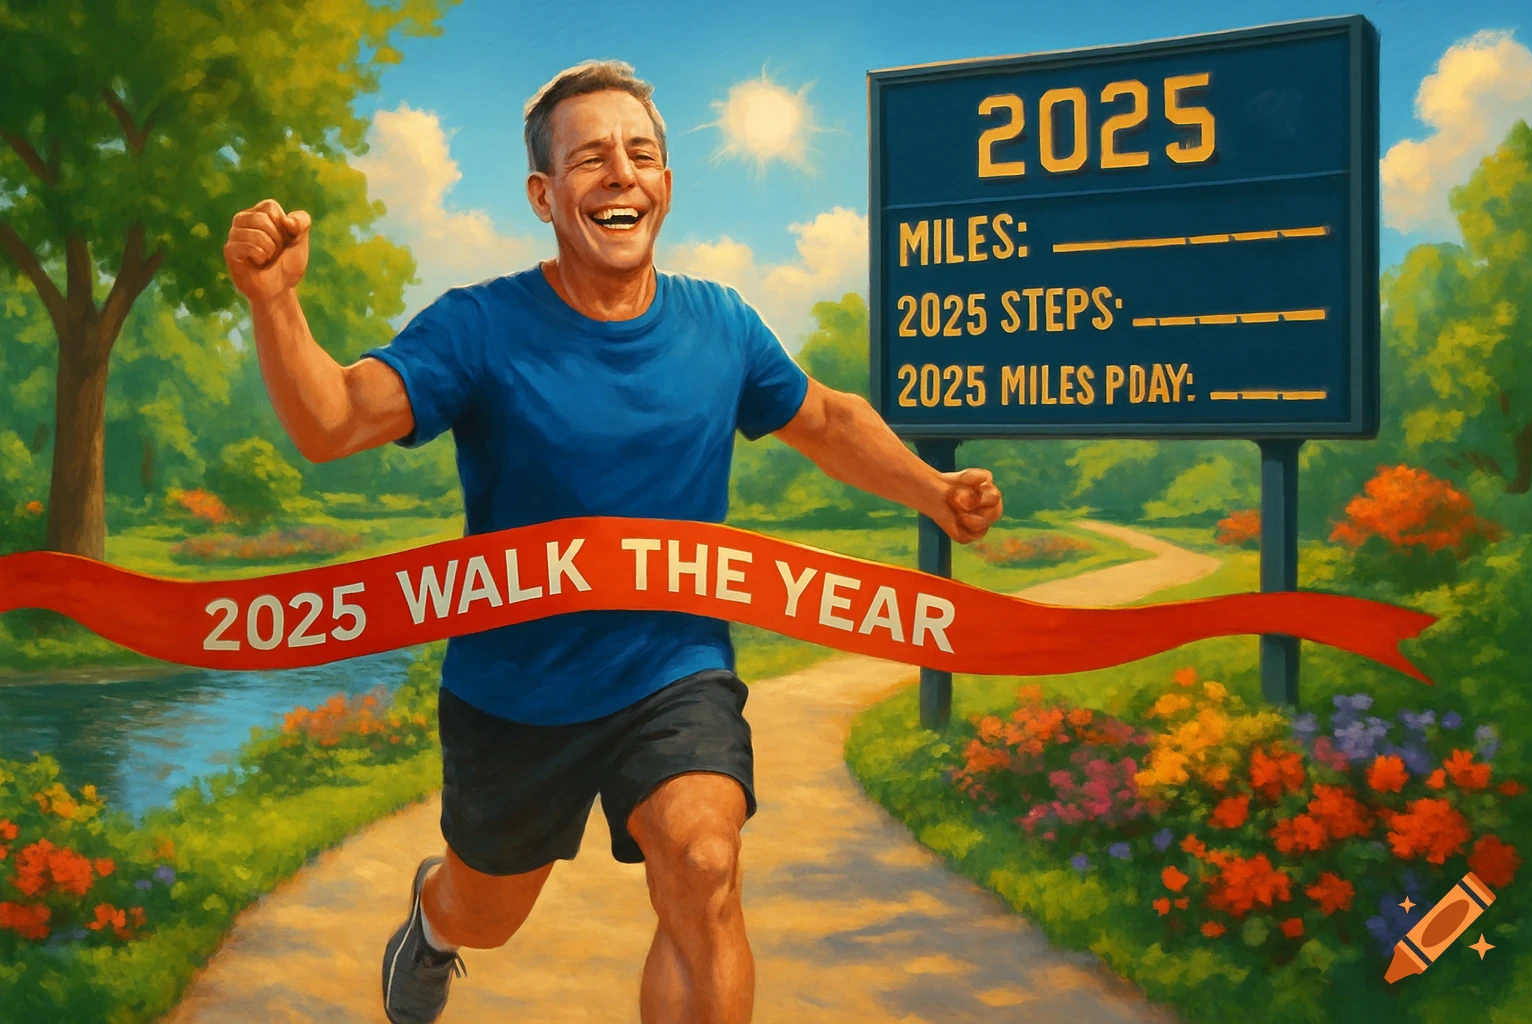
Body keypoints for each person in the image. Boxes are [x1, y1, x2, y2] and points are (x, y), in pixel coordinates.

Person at [222, 59, 1003, 1024]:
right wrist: (273, 299)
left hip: (671, 668)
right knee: (487, 910)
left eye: (641, 154)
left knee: (704, 862)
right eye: (589, 159)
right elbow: (332, 422)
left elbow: (830, 421)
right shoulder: (480, 326)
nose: (621, 173)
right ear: (545, 196)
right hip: (515, 690)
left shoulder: (721, 324)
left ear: (668, 184)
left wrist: (931, 489)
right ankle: (430, 920)